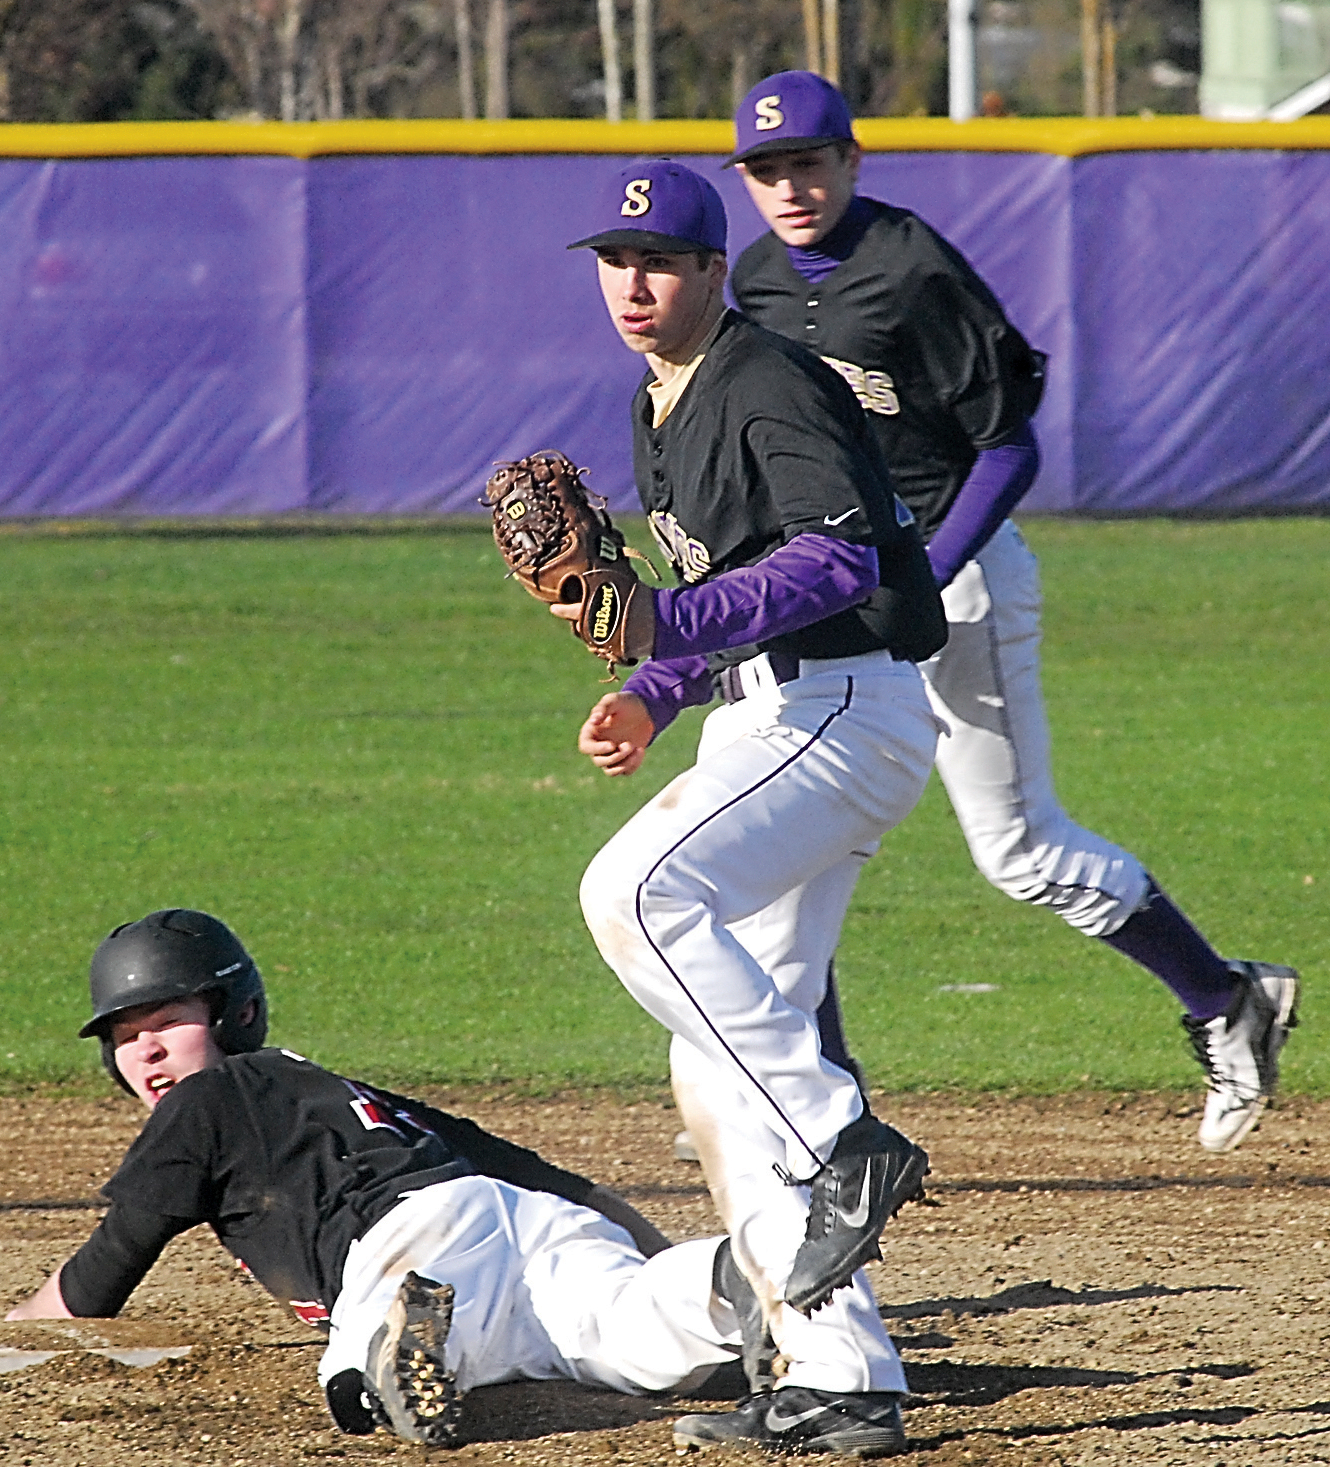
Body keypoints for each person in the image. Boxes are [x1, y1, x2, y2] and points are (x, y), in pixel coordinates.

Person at [724, 71, 1298, 1155]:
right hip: (842, 595)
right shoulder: (754, 281)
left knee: (1018, 850)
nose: (789, 186)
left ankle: (1226, 999)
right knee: (795, 839)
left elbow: (1009, 444)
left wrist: (929, 575)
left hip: (960, 576)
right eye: (766, 169)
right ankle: (814, 1100)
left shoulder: (910, 269)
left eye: (807, 161)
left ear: (852, 161)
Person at [557, 158, 948, 1454]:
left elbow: (836, 554)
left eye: (661, 257)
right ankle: (846, 1369)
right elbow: (716, 584)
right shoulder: (654, 401)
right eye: (616, 259)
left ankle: (846, 1138)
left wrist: (673, 625)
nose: (635, 280)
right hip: (773, 711)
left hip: (841, 705)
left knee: (635, 891)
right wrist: (655, 688)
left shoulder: (766, 375)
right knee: (719, 1067)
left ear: (716, 270)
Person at [6, 908, 905, 1456]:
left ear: (234, 1015)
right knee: (631, 1330)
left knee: (359, 1376)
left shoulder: (206, 1099)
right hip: (523, 1225)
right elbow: (565, 1189)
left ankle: (399, 1344)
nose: (146, 1050)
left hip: (410, 1237)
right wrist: (656, 1249)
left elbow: (108, 1266)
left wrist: (13, 1324)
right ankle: (744, 1268)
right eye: (125, 1036)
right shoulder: (351, 1094)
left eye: (166, 1021)